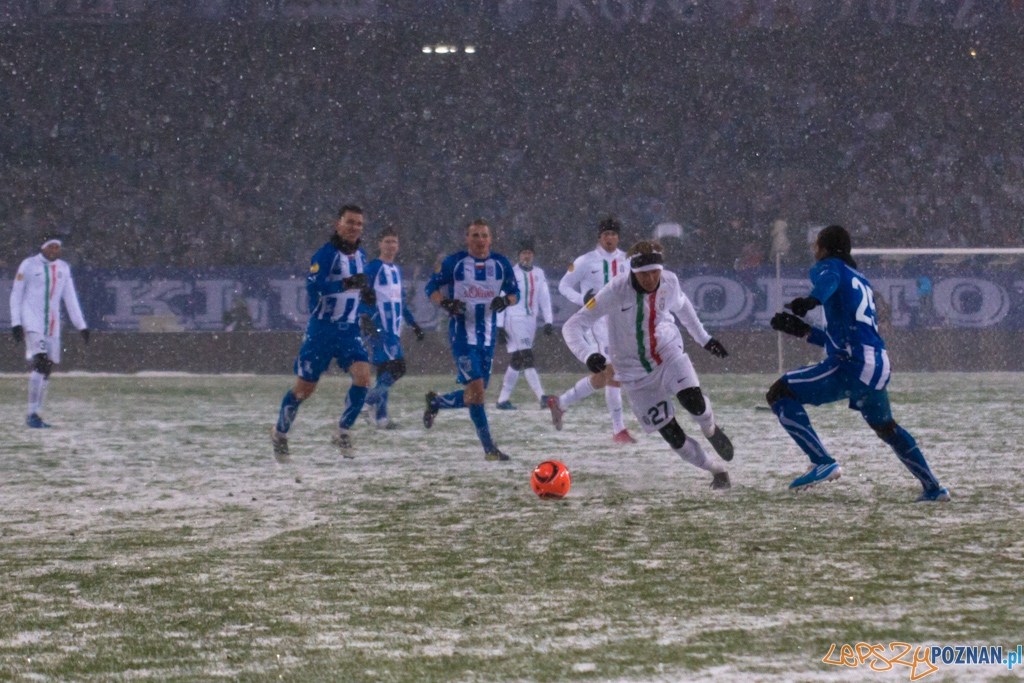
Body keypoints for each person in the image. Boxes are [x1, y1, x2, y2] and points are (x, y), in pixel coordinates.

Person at [767, 225, 950, 501]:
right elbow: (846, 336)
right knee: (887, 428)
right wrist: (803, 330)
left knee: (779, 393)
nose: (814, 251)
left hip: (852, 364)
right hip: (877, 364)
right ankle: (933, 488)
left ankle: (821, 461)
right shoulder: (860, 280)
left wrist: (811, 300)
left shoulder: (830, 266)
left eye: (817, 245)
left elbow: (827, 282)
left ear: (825, 248)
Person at [551, 240, 734, 489]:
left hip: (667, 352)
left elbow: (683, 307)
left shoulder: (670, 281)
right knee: (673, 436)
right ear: (633, 272)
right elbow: (572, 326)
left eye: (654, 272)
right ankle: (716, 470)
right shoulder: (615, 290)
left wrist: (705, 339)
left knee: (694, 402)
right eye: (643, 274)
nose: (650, 279)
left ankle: (710, 429)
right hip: (633, 373)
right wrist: (588, 355)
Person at [271, 205, 375, 462]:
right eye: (350, 222)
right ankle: (280, 433)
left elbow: (357, 288)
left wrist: (365, 301)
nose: (355, 228)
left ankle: (342, 431)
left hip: (349, 330)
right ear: (338, 225)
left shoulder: (361, 255)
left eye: (359, 224)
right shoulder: (326, 254)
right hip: (322, 331)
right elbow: (314, 287)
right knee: (304, 390)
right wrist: (345, 284)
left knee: (363, 377)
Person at [423, 219, 519, 461]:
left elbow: (514, 293)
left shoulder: (501, 264)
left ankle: (437, 402)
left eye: (484, 235)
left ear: (491, 239)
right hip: (462, 336)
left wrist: (505, 301)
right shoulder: (454, 262)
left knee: (474, 395)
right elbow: (431, 287)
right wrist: (445, 302)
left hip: (487, 339)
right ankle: (490, 449)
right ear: (467, 239)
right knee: (477, 391)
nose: (480, 240)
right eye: (475, 235)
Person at [558, 216, 635, 443]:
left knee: (603, 377)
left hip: (620, 322)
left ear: (618, 237)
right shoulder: (585, 261)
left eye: (613, 234)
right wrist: (582, 299)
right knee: (614, 371)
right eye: (606, 234)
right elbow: (564, 285)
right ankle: (619, 430)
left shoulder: (628, 261)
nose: (610, 238)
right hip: (595, 322)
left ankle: (560, 403)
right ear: (600, 237)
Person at [9, 236, 90, 428]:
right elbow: (16, 294)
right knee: (41, 361)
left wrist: (81, 325)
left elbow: (70, 297)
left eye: (57, 247)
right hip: (32, 321)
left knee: (47, 368)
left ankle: (36, 413)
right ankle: (32, 413)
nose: (54, 251)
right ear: (43, 247)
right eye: (51, 247)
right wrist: (16, 322)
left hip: (53, 326)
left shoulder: (63, 268)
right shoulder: (29, 265)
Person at [359, 228, 425, 429]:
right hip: (379, 327)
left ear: (398, 246)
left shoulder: (396, 270)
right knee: (398, 368)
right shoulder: (373, 267)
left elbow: (401, 302)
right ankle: (367, 402)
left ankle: (382, 419)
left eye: (394, 241)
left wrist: (414, 324)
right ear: (379, 244)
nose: (390, 245)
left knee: (384, 372)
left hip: (394, 330)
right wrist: (364, 317)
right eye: (387, 241)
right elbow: (361, 293)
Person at [495, 239, 554, 410]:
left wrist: (548, 321)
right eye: (523, 253)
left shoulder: (539, 273)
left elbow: (544, 298)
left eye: (529, 253)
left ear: (533, 255)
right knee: (527, 356)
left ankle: (502, 400)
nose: (526, 256)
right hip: (514, 318)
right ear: (519, 255)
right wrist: (499, 325)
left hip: (531, 320)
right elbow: (502, 297)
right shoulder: (511, 273)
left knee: (517, 359)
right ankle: (542, 397)